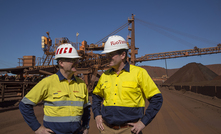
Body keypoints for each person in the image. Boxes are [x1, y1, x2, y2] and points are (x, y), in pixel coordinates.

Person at [92, 35, 163, 134]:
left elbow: (157, 98)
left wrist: (143, 122)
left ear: (122, 55)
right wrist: (97, 115)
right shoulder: (105, 75)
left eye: (111, 54)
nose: (107, 57)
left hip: (129, 130)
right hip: (106, 129)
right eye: (107, 54)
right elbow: (96, 96)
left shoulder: (139, 73)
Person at [19, 43, 91, 134]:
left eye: (77, 60)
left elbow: (86, 108)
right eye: (72, 60)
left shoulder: (81, 84)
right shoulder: (48, 82)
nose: (76, 63)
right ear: (61, 63)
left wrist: (86, 126)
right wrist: (37, 128)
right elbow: (24, 104)